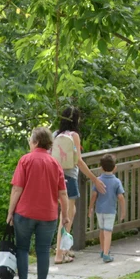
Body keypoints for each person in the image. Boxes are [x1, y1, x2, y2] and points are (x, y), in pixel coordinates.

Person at [7, 127, 72, 279]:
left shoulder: (25, 160)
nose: (29, 142)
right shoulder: (55, 163)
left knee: (22, 248)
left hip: (25, 213)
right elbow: (63, 193)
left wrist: (10, 212)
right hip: (48, 215)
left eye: (30, 140)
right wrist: (65, 215)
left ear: (35, 142)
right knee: (43, 251)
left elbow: (16, 189)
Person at [51, 106, 105, 263]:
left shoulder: (55, 134)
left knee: (69, 211)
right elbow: (78, 161)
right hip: (69, 176)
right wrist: (94, 178)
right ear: (76, 120)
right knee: (66, 215)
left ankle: (63, 248)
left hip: (55, 176)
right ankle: (60, 254)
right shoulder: (74, 135)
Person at [88, 153, 126, 263]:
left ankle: (102, 250)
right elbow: (121, 197)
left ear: (101, 168)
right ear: (115, 168)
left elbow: (94, 195)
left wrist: (90, 207)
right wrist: (123, 211)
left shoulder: (98, 180)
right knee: (108, 232)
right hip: (110, 211)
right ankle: (106, 254)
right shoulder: (116, 181)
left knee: (102, 230)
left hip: (99, 210)